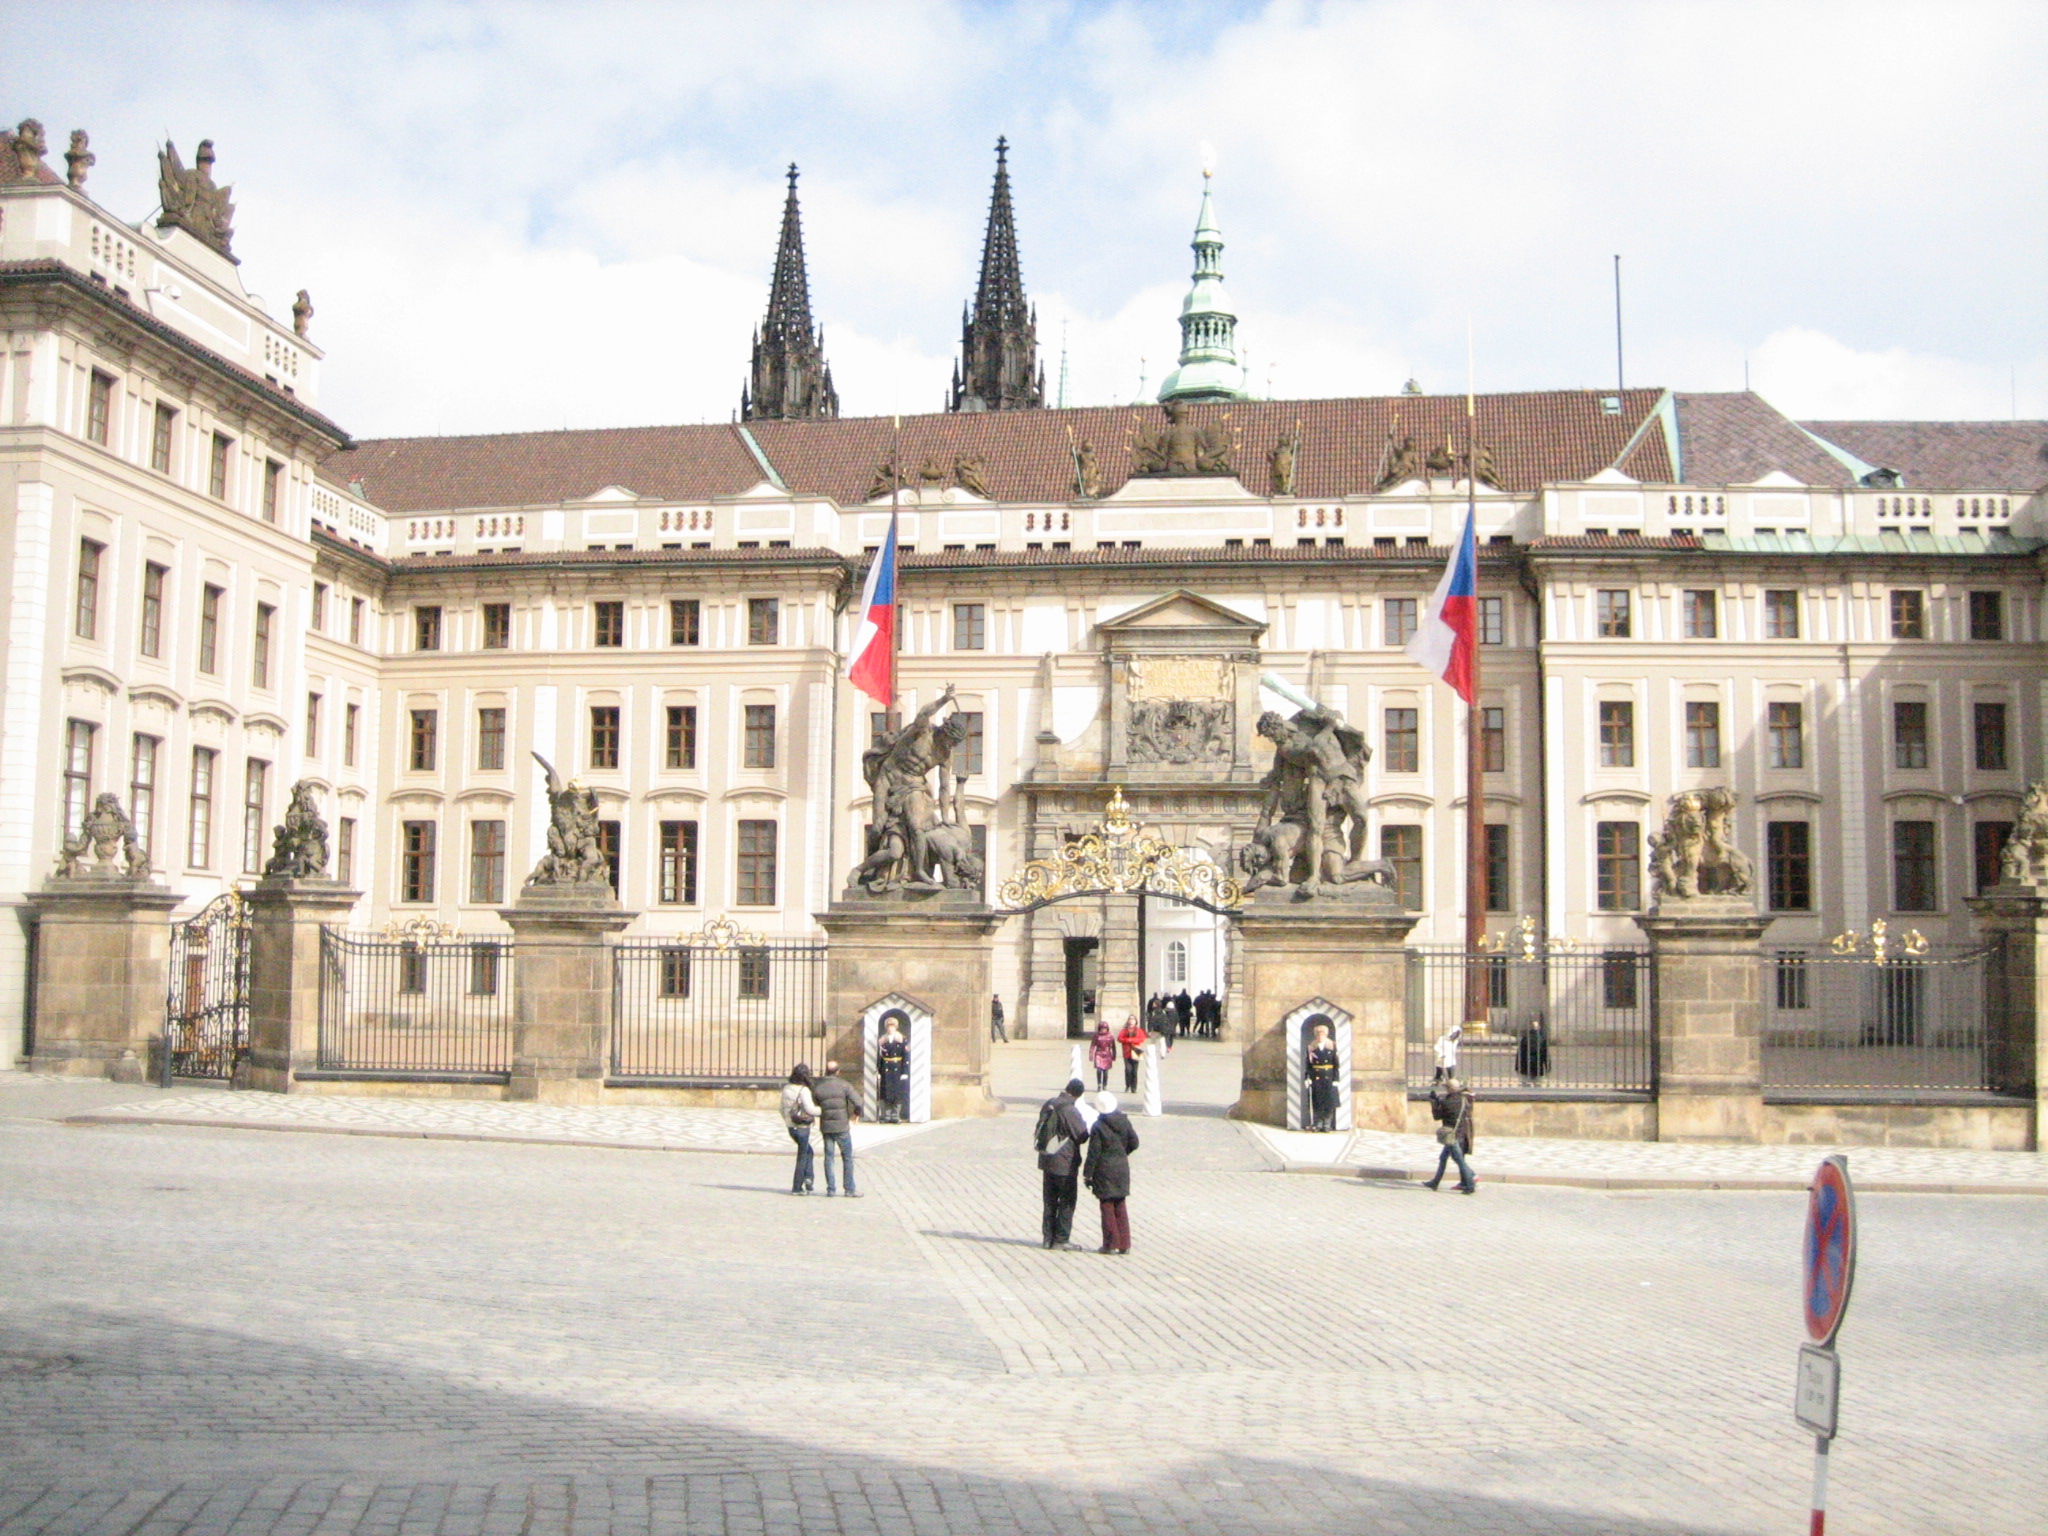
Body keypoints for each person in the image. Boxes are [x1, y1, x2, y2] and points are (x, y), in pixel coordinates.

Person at [1034, 1077, 1091, 1249]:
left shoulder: (1049, 1104)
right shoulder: (1070, 1110)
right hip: (1065, 1163)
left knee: (1049, 1200)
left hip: (1046, 1159)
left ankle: (1047, 1238)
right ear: (1078, 1095)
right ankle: (1061, 1239)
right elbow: (1082, 1136)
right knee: (1066, 1201)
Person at [1083, 1090, 1140, 1254]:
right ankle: (1125, 1244)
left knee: (1107, 1205)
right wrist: (1122, 1152)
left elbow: (1093, 1153)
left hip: (1104, 1170)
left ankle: (1110, 1242)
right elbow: (1134, 1142)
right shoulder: (1124, 1121)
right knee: (1120, 1205)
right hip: (1121, 1168)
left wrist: (1088, 1174)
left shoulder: (1099, 1126)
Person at [812, 1058, 862, 1197]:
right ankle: (849, 1189)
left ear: (826, 1071)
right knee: (847, 1157)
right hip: (841, 1126)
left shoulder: (818, 1086)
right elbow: (859, 1102)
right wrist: (855, 1115)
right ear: (838, 1072)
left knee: (829, 1157)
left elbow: (814, 1105)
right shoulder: (844, 1085)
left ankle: (831, 1189)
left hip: (826, 1127)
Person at [1424, 1076, 1477, 1194]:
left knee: (1459, 1160)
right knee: (1443, 1158)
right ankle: (1435, 1182)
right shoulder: (1464, 1099)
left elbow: (1437, 1116)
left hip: (1451, 1134)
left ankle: (1470, 1184)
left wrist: (1434, 1102)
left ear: (1449, 1089)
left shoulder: (1448, 1102)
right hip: (1462, 1132)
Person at [780, 1063, 819, 1194]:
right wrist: (822, 1111)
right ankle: (797, 1186)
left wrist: (788, 1120)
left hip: (791, 1127)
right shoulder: (804, 1090)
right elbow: (809, 1109)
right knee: (802, 1155)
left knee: (809, 1151)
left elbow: (781, 1108)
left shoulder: (786, 1088)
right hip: (802, 1126)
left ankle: (808, 1178)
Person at [1304, 1022, 1340, 1132]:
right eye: (1319, 1034)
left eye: (1322, 1034)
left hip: (1328, 1077)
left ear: (1326, 1035)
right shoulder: (1311, 1047)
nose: (1320, 1036)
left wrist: (1336, 1079)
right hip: (1316, 1078)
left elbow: (1336, 1064)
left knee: (1329, 1103)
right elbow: (1308, 1064)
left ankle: (1327, 1124)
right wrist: (1308, 1077)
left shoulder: (1332, 1046)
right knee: (1317, 1102)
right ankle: (1318, 1124)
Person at [876, 1014, 910, 1124]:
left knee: (897, 1093)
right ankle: (886, 1115)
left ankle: (895, 1115)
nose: (890, 1028)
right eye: (888, 1026)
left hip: (897, 1069)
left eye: (892, 1026)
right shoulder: (882, 1040)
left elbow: (906, 1056)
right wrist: (878, 1070)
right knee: (885, 1093)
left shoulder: (902, 1040)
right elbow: (879, 1056)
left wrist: (904, 1071)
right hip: (886, 1068)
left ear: (896, 1028)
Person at [1116, 1012, 1149, 1093]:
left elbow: (1142, 1038)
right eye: (1130, 1019)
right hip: (1126, 1051)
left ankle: (1134, 1088)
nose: (1131, 1021)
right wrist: (1127, 1040)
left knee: (1135, 1071)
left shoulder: (1139, 1030)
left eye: (1133, 1019)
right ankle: (1127, 1085)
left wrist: (1132, 1040)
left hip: (1136, 1051)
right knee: (1128, 1070)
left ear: (1135, 1021)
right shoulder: (1124, 1030)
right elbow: (1119, 1038)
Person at [1515, 1013, 1552, 1082]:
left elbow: (1520, 1054)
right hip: (1538, 1067)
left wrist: (1517, 1067)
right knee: (1538, 1086)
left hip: (1525, 1068)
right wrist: (1548, 1068)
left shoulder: (1525, 1039)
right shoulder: (1542, 1040)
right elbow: (1545, 1055)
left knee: (1525, 1087)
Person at [1088, 1021, 1117, 1091]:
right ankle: (1099, 1084)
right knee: (1099, 1070)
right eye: (1102, 1028)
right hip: (1099, 1053)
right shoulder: (1096, 1036)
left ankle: (1105, 1085)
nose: (1103, 1030)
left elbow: (1113, 1047)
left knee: (1106, 1071)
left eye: (1105, 1028)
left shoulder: (1110, 1036)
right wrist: (1091, 1054)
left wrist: (1114, 1055)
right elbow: (1092, 1045)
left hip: (1107, 1053)